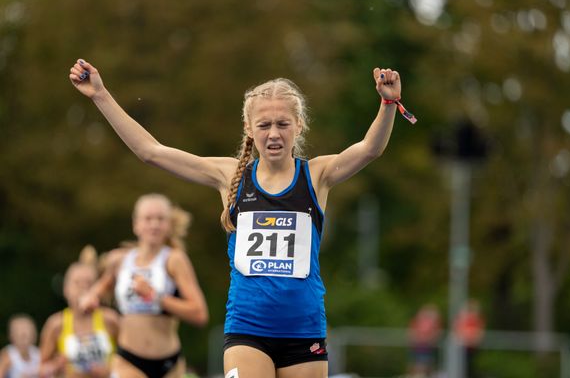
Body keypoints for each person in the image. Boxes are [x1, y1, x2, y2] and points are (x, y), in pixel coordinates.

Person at [69, 58, 403, 378]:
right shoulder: (231, 175)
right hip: (247, 329)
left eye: (283, 124)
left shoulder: (316, 175)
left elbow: (369, 149)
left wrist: (388, 105)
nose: (274, 134)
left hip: (304, 330)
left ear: (298, 125)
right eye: (264, 125)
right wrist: (100, 95)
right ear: (249, 128)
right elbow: (151, 152)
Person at [78, 194, 209, 378]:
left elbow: (199, 314)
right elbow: (96, 292)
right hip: (129, 360)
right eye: (148, 219)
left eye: (160, 219)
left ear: (169, 225)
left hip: (168, 363)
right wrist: (89, 299)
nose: (154, 225)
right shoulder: (119, 260)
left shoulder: (174, 260)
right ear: (136, 224)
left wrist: (156, 297)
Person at [38, 246, 119, 378]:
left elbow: (131, 360)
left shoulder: (110, 320)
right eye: (77, 283)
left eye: (88, 283)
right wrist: (55, 367)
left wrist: (109, 371)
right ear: (66, 289)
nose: (82, 289)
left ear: (98, 288)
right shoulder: (56, 324)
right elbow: (41, 369)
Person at [0, 314, 40, 378]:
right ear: (12, 336)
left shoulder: (37, 353)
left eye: (26, 335)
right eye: (21, 336)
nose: (24, 339)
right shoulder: (8, 355)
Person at [453, 299, 485, 378]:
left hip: (471, 347)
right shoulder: (462, 319)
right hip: (462, 346)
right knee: (461, 365)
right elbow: (457, 330)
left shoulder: (477, 319)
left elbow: (479, 333)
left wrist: (472, 339)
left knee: (469, 366)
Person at [407, 304, 441, 377]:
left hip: (428, 348)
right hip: (418, 348)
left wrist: (427, 338)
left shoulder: (433, 323)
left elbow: (436, 334)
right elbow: (411, 333)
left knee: (427, 367)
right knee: (417, 366)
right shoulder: (417, 321)